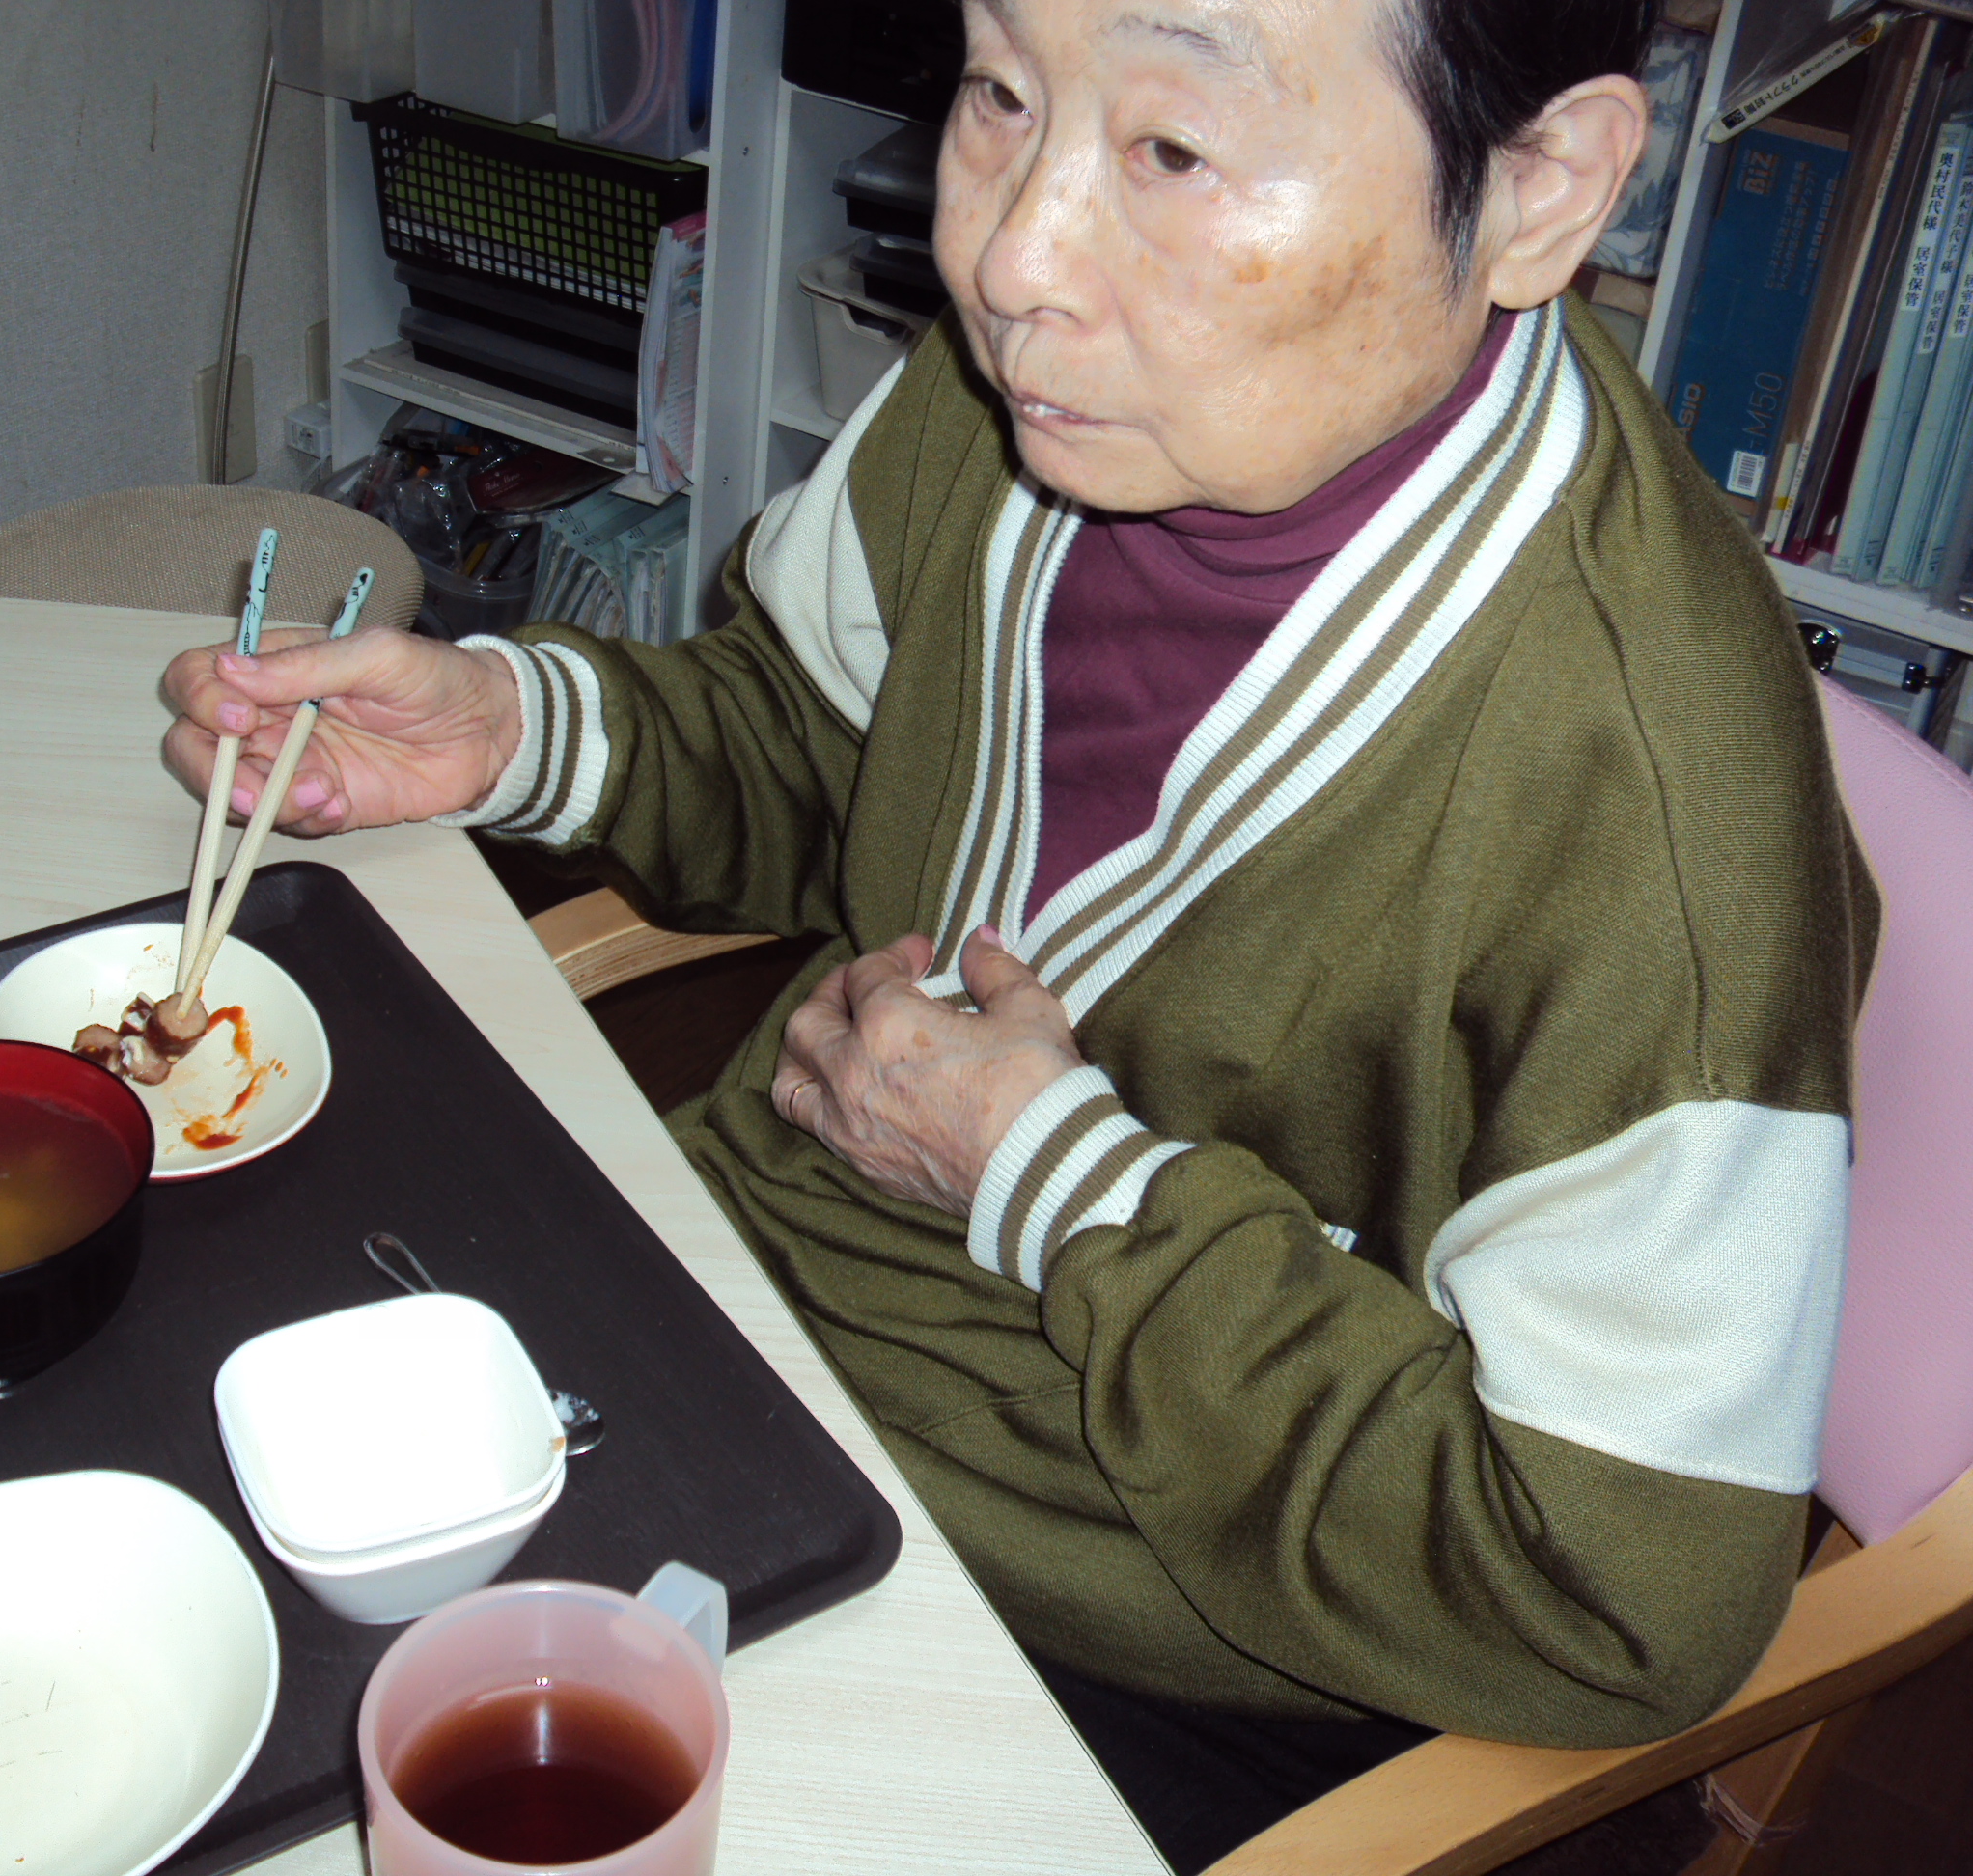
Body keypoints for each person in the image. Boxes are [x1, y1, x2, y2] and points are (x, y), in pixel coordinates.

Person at [163, 0, 1875, 1864]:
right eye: (1001, 91)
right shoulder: (1042, 404)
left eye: (1174, 151)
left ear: (1538, 191)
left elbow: (1616, 1597)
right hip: (742, 1314)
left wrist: (1050, 1176)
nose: (1006, 259)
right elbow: (823, 741)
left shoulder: (1650, 810)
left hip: (1150, 1621)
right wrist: (520, 729)